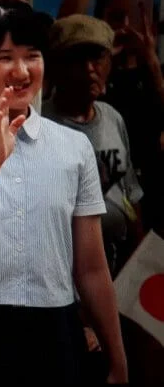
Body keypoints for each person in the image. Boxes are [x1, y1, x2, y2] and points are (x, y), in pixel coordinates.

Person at [0, 0, 128, 386]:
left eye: (32, 56)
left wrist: (118, 358)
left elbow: (91, 268)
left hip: (56, 330)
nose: (22, 71)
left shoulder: (73, 148)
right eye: (5, 57)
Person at [58, 0, 164, 234]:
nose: (126, 27)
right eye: (116, 18)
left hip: (151, 195)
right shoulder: (86, 73)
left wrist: (150, 62)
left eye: (137, 18)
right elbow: (68, 25)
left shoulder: (157, 73)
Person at [44, 14, 144, 276]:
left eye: (97, 57)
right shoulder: (40, 125)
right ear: (55, 68)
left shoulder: (111, 117)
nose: (89, 68)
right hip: (61, 271)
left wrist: (138, 259)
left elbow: (129, 192)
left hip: (114, 264)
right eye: (77, 60)